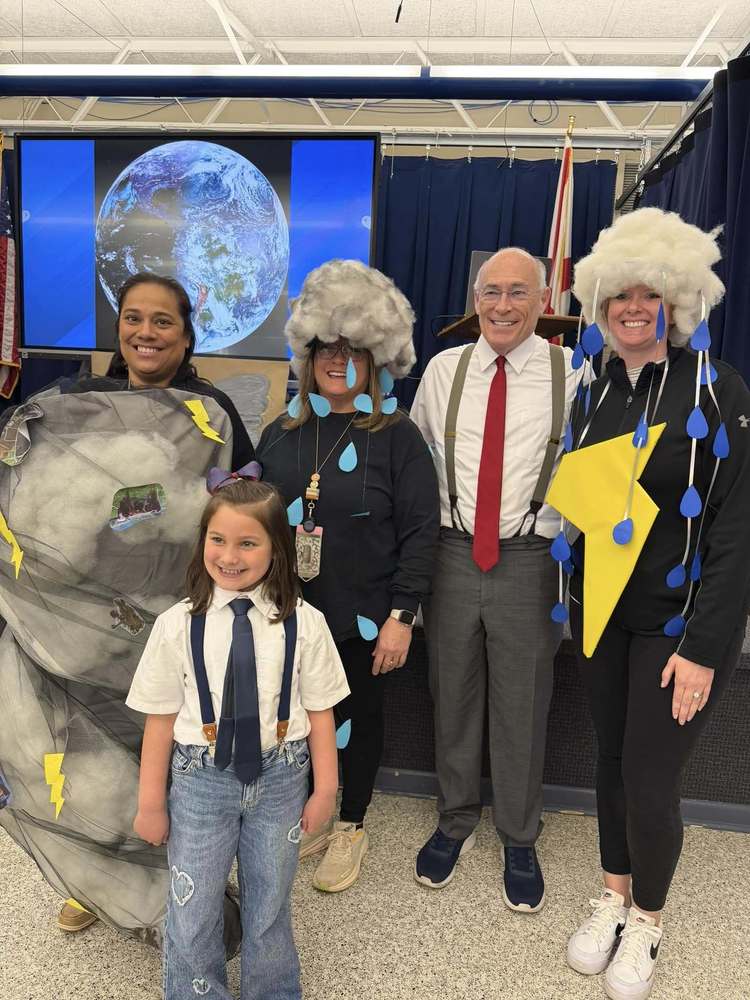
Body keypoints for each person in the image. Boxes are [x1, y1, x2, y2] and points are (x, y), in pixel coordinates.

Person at [558, 208, 750, 1000]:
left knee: (649, 772)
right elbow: (584, 501)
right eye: (616, 298)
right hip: (602, 610)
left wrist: (706, 647)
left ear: (675, 303)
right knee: (609, 760)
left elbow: (737, 529)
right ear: (600, 308)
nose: (632, 309)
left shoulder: (717, 385)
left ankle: (649, 919)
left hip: (678, 625)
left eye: (648, 296)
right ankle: (612, 892)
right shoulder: (593, 387)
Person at [54, 272, 255, 934]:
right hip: (92, 622)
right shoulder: (82, 403)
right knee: (100, 754)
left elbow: (247, 509)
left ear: (187, 335)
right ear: (119, 329)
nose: (145, 332)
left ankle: (191, 878)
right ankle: (97, 878)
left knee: (182, 758)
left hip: (180, 623)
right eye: (133, 318)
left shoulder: (212, 413)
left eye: (162, 321)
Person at [126, 477, 349, 1000]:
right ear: (202, 541)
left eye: (248, 543)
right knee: (193, 903)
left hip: (282, 776)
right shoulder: (175, 626)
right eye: (218, 540)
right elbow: (159, 722)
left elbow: (321, 712)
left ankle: (271, 991)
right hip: (199, 781)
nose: (230, 555)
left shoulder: (306, 624)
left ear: (276, 550)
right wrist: (150, 803)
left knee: (270, 900)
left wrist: (325, 790)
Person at [258, 259, 439, 892]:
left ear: (375, 359)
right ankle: (314, 815)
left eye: (352, 349)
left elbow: (421, 532)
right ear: (306, 357)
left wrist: (402, 615)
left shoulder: (398, 439)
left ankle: (352, 825)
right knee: (298, 718)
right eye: (325, 348)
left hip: (365, 617)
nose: (338, 360)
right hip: (289, 615)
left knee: (357, 718)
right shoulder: (280, 436)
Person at [410, 247, 579, 912]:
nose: (503, 305)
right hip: (453, 553)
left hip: (530, 559)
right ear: (474, 298)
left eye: (518, 292)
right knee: (450, 691)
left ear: (542, 301)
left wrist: (557, 528)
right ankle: (455, 820)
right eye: (490, 292)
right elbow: (418, 463)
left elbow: (595, 463)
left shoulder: (575, 371)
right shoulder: (444, 370)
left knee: (524, 701)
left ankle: (518, 834)